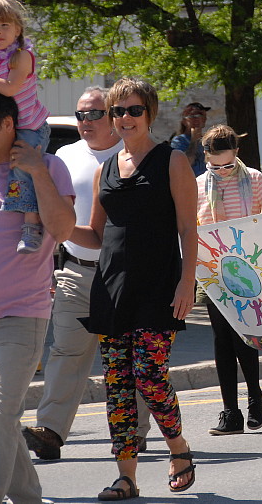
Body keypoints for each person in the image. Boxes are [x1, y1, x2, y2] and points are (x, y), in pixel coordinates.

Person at [70, 77, 198, 499]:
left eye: (133, 110)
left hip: (159, 285)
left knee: (148, 374)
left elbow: (187, 228)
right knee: (118, 384)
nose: (124, 118)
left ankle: (178, 447)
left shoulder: (171, 161)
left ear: (150, 113)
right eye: (117, 111)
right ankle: (127, 477)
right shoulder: (104, 168)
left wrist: (187, 282)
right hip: (111, 287)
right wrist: (57, 227)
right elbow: (94, 233)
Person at [23, 86, 154, 462]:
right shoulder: (64, 156)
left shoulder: (138, 155)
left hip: (127, 274)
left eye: (94, 114)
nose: (85, 122)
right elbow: (53, 218)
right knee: (65, 351)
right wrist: (45, 266)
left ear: (114, 116)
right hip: (76, 270)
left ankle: (137, 431)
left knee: (129, 357)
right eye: (80, 115)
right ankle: (50, 431)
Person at [0, 91, 75, 504]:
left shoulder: (50, 166)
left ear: (8, 126)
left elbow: (64, 229)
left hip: (20, 317)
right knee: (0, 424)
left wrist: (37, 172)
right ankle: (28, 499)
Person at [196, 125, 262, 434]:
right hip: (213, 273)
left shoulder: (254, 180)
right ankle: (229, 411)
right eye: (215, 166)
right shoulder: (197, 186)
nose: (222, 172)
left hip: (247, 270)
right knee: (221, 339)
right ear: (205, 156)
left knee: (243, 336)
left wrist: (257, 229)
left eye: (228, 165)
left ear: (237, 154)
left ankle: (254, 398)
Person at [0, 0, 51, 253]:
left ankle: (31, 225)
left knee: (22, 166)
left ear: (18, 29)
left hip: (29, 126)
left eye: (4, 25)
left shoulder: (21, 57)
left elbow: (10, 88)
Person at [170, 101, 210, 176]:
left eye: (200, 115)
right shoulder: (179, 141)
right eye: (192, 116)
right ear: (184, 121)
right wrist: (194, 140)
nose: (196, 119)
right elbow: (184, 163)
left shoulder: (208, 141)